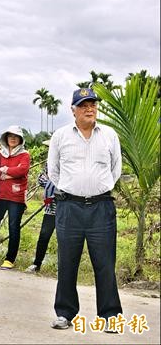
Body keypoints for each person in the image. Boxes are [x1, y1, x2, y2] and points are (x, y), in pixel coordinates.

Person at [48, 88, 122, 330]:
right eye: (83, 105)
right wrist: (73, 190)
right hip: (69, 207)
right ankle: (65, 313)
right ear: (73, 110)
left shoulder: (109, 135)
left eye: (92, 104)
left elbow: (115, 169)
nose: (89, 109)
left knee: (104, 263)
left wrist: (97, 188)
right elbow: (54, 171)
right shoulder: (60, 136)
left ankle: (110, 316)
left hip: (101, 208)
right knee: (67, 262)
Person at [0, 125, 31, 270]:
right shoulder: (0, 154)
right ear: (6, 138)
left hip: (16, 197)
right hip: (0, 195)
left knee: (13, 227)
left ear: (20, 139)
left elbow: (22, 170)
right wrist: (11, 173)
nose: (12, 138)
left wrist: (5, 170)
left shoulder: (24, 154)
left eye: (15, 136)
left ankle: (9, 259)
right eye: (10, 136)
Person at [26, 140, 57, 273]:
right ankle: (36, 264)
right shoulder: (49, 163)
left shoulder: (69, 162)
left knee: (64, 238)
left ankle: (63, 268)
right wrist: (53, 185)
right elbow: (41, 178)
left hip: (67, 208)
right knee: (44, 235)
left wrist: (55, 185)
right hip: (50, 207)